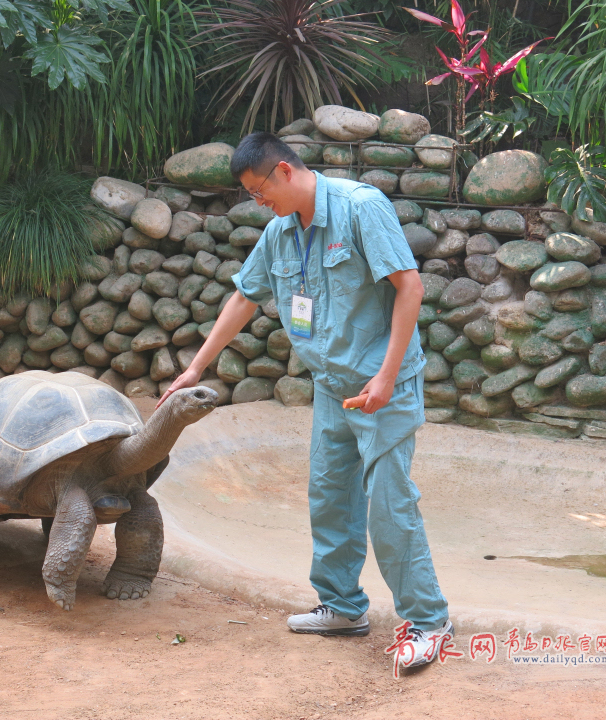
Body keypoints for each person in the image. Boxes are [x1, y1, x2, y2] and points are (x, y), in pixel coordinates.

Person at [157, 132, 451, 669]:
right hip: (331, 387)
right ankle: (342, 607)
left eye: (257, 189)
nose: (257, 201)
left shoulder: (361, 208)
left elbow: (410, 287)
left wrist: (386, 378)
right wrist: (196, 367)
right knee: (330, 496)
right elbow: (246, 295)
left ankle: (429, 622)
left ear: (285, 172)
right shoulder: (280, 233)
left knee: (388, 505)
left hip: (381, 389)